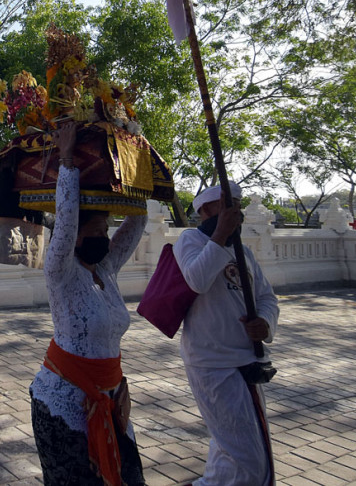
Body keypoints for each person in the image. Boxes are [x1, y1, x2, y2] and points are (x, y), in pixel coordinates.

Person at [28, 122, 147, 486]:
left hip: (110, 399)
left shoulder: (106, 269)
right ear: (76, 238)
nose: (103, 238)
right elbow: (63, 222)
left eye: (105, 231)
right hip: (63, 402)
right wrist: (67, 159)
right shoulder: (61, 272)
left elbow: (137, 223)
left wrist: (134, 167)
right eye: (95, 232)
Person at [174, 183, 279, 485]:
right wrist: (219, 235)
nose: (237, 212)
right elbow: (197, 280)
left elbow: (267, 298)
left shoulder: (243, 251)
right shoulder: (189, 240)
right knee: (249, 460)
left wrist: (265, 322)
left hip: (247, 359)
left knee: (233, 447)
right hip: (211, 362)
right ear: (205, 210)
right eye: (227, 204)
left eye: (238, 205)